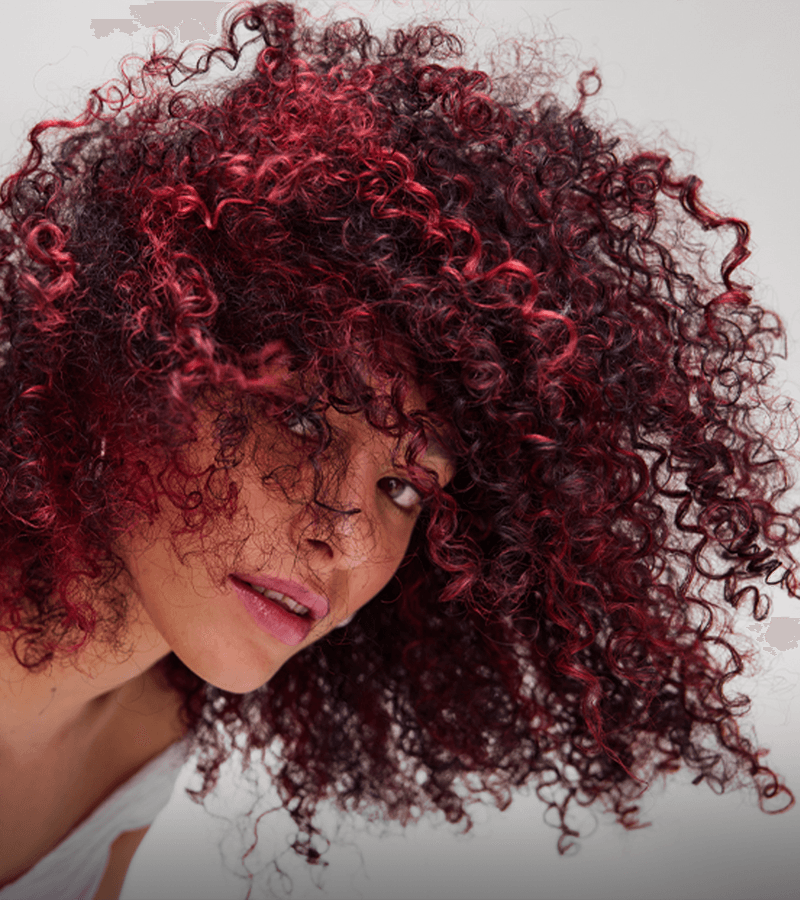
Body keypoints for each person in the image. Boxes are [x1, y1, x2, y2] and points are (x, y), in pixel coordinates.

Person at [1, 1, 798, 897]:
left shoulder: (143, 730)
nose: (348, 541)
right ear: (142, 360)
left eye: (405, 489)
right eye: (302, 424)